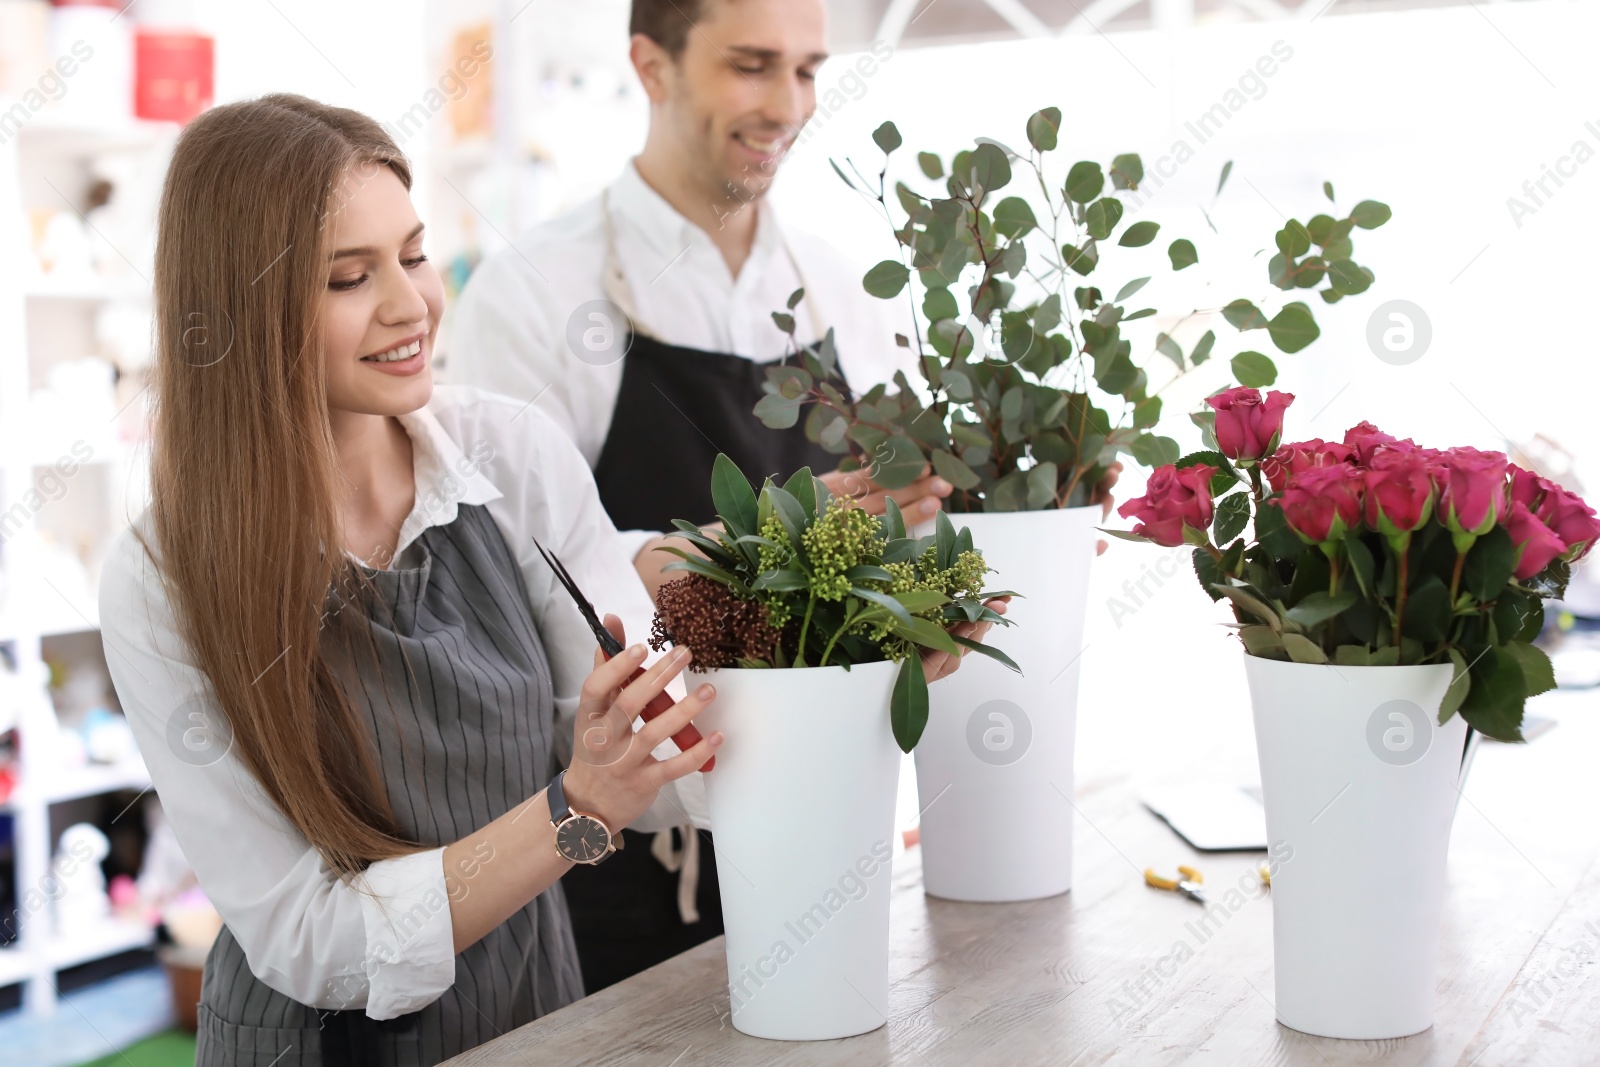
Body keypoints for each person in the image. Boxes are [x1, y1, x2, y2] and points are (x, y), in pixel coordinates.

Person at [99, 93, 1005, 1066]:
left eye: (412, 254)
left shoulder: (509, 456)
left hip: (536, 1012)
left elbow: (669, 736)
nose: (410, 305)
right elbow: (309, 940)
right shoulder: (161, 580)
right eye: (348, 277)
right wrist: (576, 810)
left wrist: (858, 659)